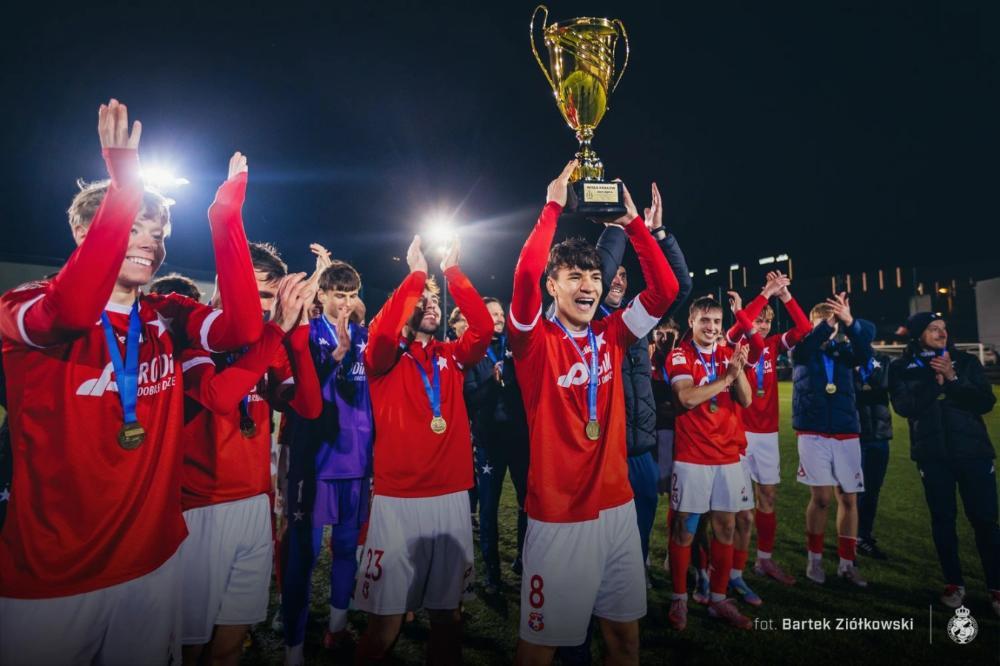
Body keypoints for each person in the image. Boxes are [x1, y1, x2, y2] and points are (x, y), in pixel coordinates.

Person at [0, 101, 262, 665]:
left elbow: (243, 325)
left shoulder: (166, 313)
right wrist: (124, 187)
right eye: (134, 224)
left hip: (153, 562)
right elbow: (69, 312)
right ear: (80, 230)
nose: (150, 239)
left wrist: (226, 219)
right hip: (53, 577)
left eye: (159, 229)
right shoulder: (22, 306)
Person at [510, 161, 678, 665]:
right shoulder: (532, 342)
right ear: (553, 287)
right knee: (539, 650)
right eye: (574, 276)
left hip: (618, 510)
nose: (588, 285)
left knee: (624, 640)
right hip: (559, 519)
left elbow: (666, 292)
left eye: (594, 275)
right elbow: (523, 275)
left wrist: (633, 228)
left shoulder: (614, 333)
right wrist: (553, 207)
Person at [174, 238, 323, 666]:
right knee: (190, 646)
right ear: (225, 285)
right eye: (256, 295)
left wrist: (298, 338)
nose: (262, 307)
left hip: (254, 504)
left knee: (229, 646)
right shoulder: (193, 334)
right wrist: (276, 332)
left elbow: (308, 406)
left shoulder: (267, 340)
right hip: (199, 507)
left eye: (270, 298)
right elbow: (220, 397)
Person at [354, 234, 492, 664]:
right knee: (386, 624)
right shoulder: (382, 359)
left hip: (451, 497)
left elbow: (484, 328)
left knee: (448, 617)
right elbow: (382, 331)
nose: (431, 306)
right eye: (423, 302)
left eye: (435, 302)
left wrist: (450, 272)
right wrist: (415, 274)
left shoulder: (452, 354)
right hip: (398, 501)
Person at [281, 260, 374, 664]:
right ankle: (294, 646)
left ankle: (337, 629)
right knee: (304, 555)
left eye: (351, 296)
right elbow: (302, 390)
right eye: (338, 295)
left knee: (345, 550)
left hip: (357, 464)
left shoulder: (366, 337)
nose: (345, 303)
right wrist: (334, 357)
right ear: (322, 294)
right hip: (316, 463)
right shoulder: (309, 332)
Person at [889, 312, 1000, 616]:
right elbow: (904, 407)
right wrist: (933, 381)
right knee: (943, 520)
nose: (941, 333)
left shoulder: (965, 362)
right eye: (933, 329)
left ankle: (996, 588)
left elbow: (985, 402)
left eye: (943, 329)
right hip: (933, 455)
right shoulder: (900, 367)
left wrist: (952, 378)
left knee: (985, 522)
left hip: (974, 454)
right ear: (917, 335)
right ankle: (954, 584)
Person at [666, 297, 754, 631]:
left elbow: (745, 399)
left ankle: (719, 600)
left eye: (717, 321)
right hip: (692, 458)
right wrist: (726, 379)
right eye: (705, 320)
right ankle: (679, 598)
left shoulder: (726, 355)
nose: (712, 327)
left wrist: (738, 371)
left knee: (726, 528)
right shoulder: (680, 354)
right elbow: (686, 398)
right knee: (685, 529)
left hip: (728, 457)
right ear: (691, 322)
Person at [724, 271, 812, 593]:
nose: (760, 326)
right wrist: (765, 292)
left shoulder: (774, 345)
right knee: (741, 508)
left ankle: (764, 559)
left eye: (765, 322)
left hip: (768, 433)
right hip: (741, 432)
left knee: (768, 497)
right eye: (756, 320)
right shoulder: (735, 342)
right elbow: (743, 325)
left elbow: (804, 328)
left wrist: (784, 295)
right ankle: (732, 567)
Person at [792, 293, 873, 587]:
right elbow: (808, 346)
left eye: (832, 324)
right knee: (822, 498)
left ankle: (847, 564)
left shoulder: (845, 350)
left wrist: (850, 323)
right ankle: (813, 560)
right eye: (822, 325)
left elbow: (865, 354)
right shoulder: (803, 349)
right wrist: (825, 325)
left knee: (849, 498)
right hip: (812, 431)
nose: (828, 330)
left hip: (846, 430)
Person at [464, 297, 529, 595]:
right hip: (489, 442)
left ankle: (524, 560)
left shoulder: (514, 348)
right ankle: (492, 574)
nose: (500, 317)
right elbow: (471, 399)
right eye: (493, 314)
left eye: (501, 313)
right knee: (488, 509)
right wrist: (493, 380)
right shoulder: (474, 353)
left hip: (518, 441)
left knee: (528, 503)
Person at [854, 349, 893, 560]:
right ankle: (850, 538)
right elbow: (848, 389)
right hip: (854, 434)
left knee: (872, 490)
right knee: (852, 491)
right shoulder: (844, 356)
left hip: (879, 434)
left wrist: (863, 378)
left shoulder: (882, 359)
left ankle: (864, 536)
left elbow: (883, 385)